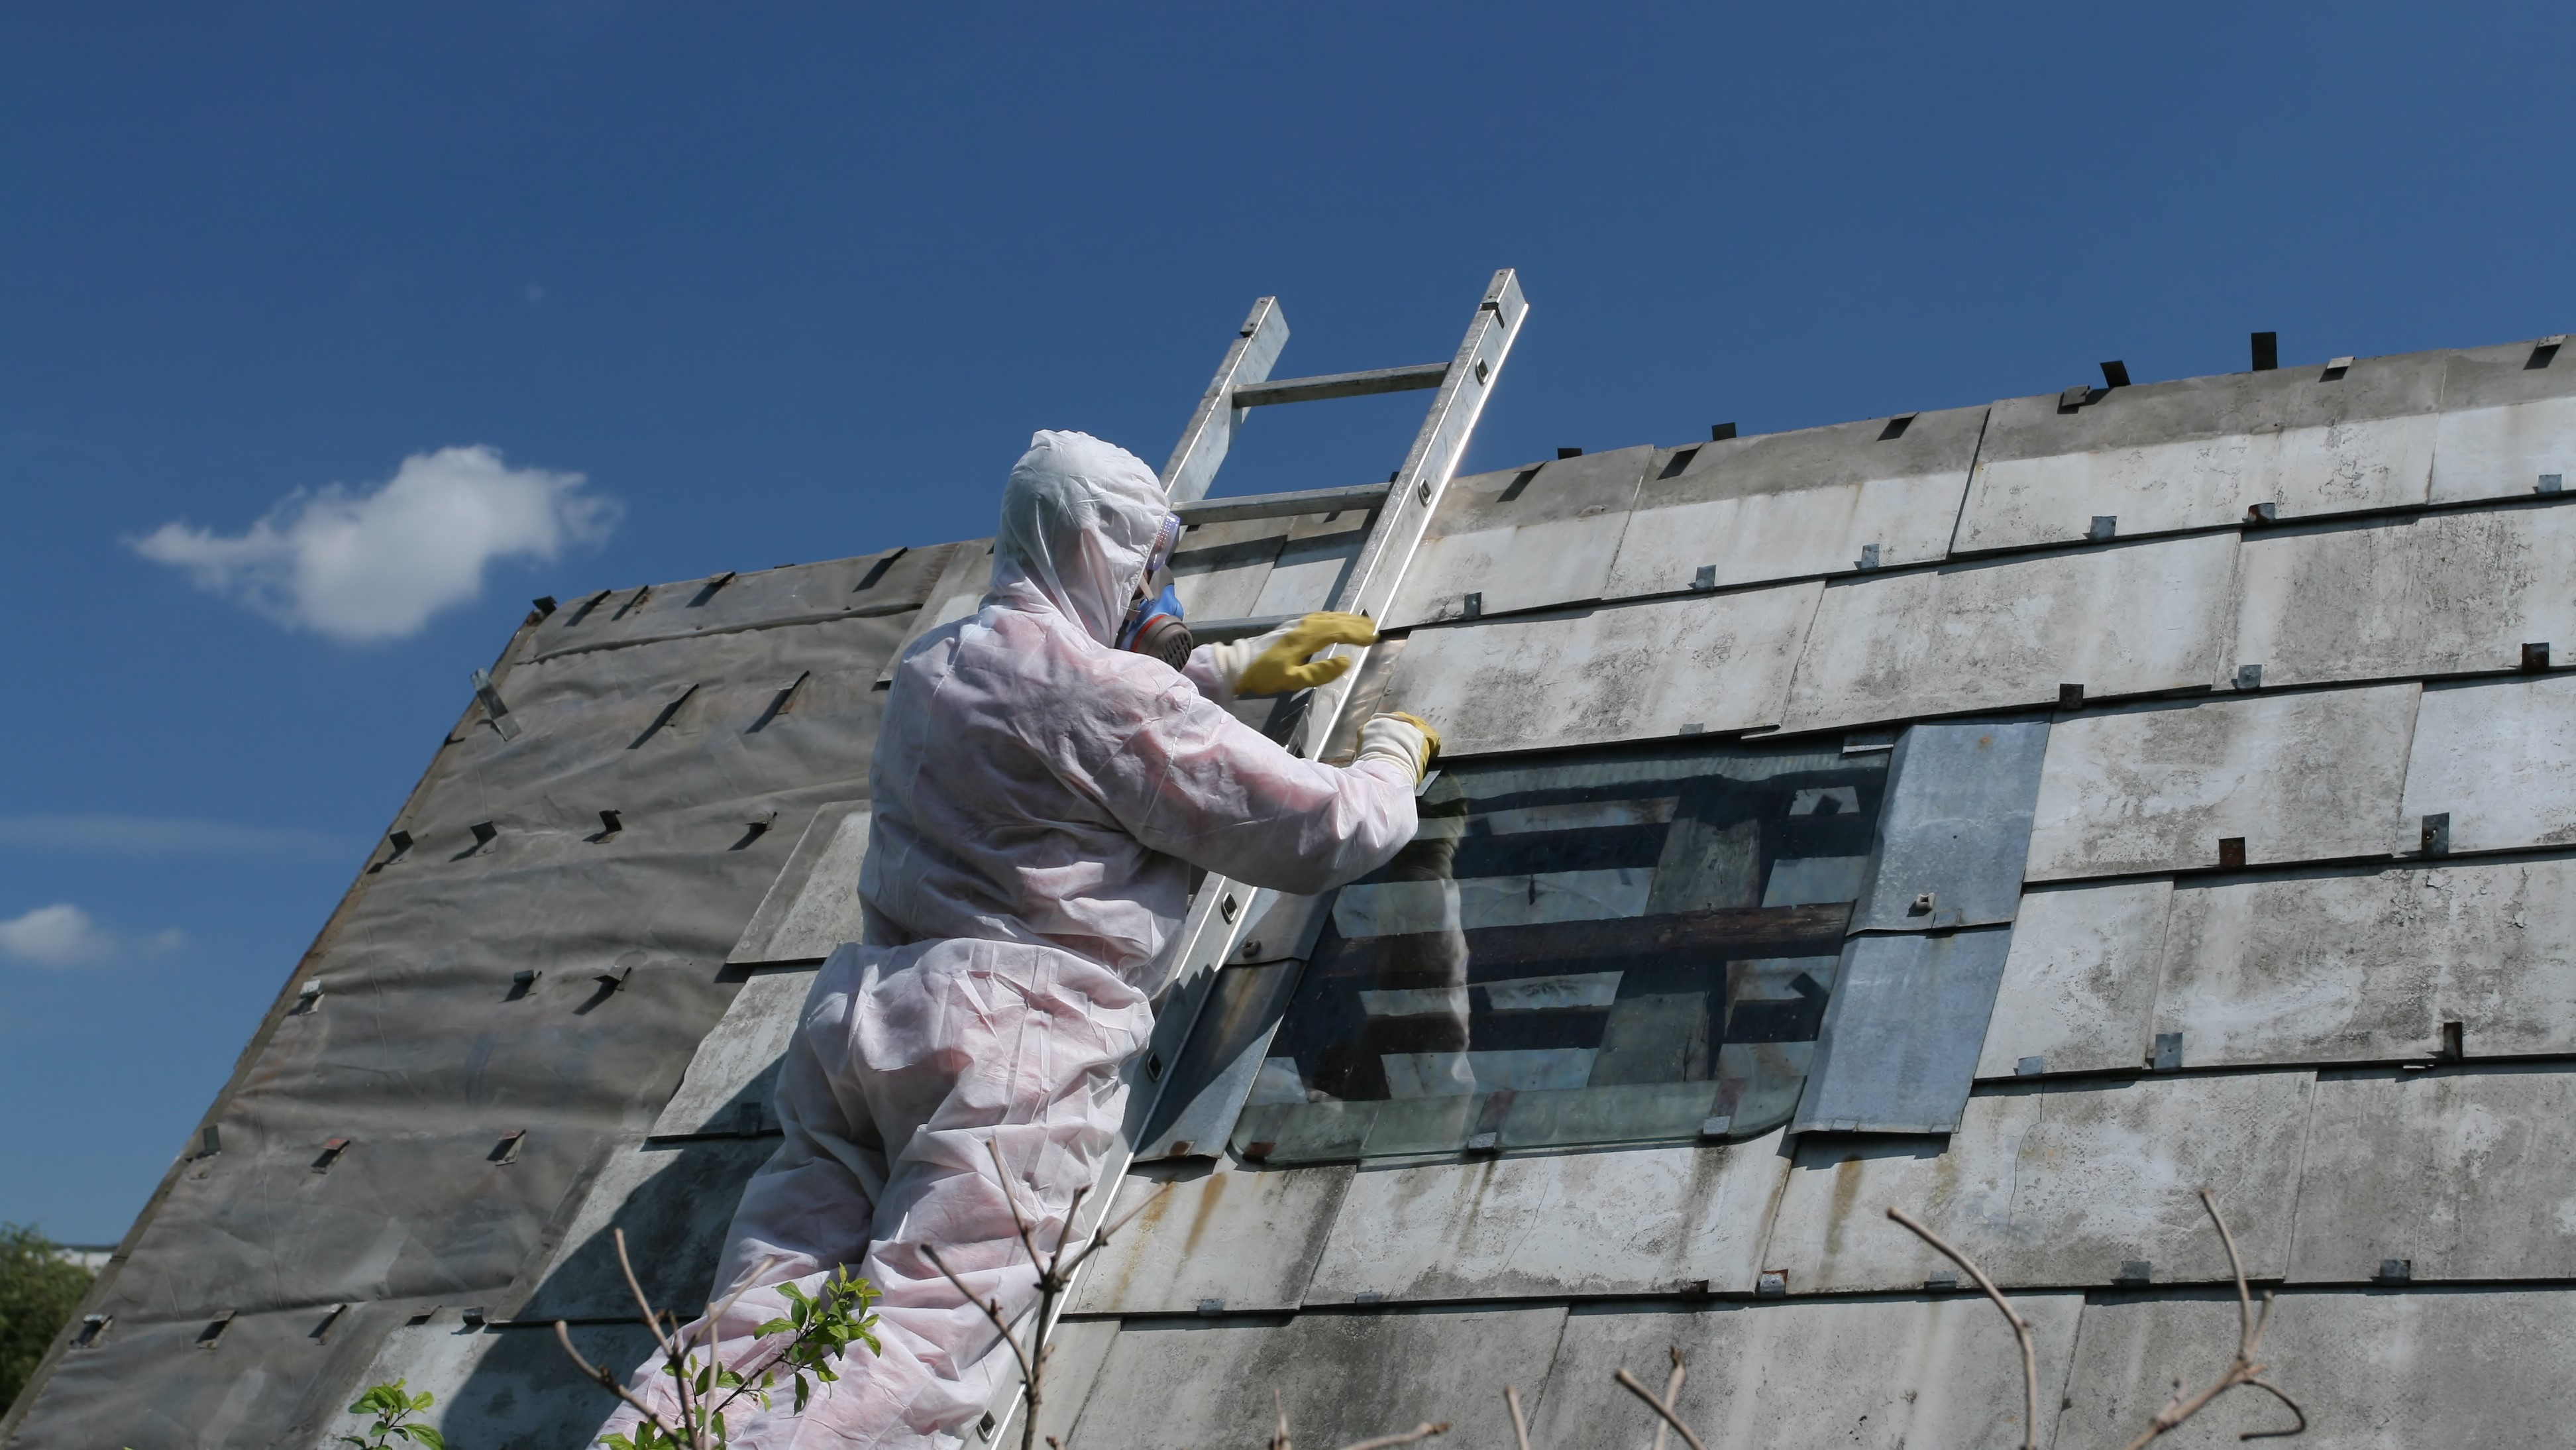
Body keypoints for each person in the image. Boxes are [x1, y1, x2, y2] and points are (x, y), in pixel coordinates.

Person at [600, 429, 1439, 1448]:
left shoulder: (933, 666)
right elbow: (1322, 830)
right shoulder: (1117, 698)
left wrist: (1215, 672)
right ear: (1102, 551)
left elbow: (1052, 728)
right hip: (1011, 1044)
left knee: (760, 1316)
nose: (1156, 590)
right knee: (924, 1341)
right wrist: (1394, 757)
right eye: (1150, 564)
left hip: (865, 1025)